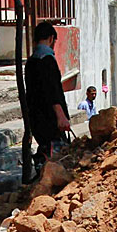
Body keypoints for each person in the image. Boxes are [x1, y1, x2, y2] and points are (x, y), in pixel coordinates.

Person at [25, 21, 70, 175]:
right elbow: (52, 92)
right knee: (56, 154)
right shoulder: (47, 60)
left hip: (36, 117)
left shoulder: (31, 62)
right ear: (51, 39)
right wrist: (61, 116)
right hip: (50, 118)